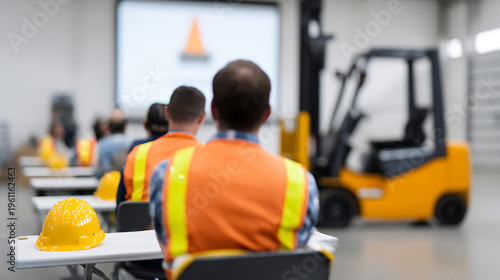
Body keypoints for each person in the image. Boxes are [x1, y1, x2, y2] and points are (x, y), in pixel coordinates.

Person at [149, 60, 319, 273]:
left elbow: (166, 242)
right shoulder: (301, 182)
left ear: (213, 110)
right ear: (267, 114)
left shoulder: (167, 173)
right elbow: (296, 252)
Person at [115, 86, 206, 209]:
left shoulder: (137, 154)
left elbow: (121, 208)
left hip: (142, 228)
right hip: (185, 227)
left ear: (167, 113)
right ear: (201, 118)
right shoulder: (207, 156)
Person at [95, 109, 131, 178]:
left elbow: (98, 172)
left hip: (107, 186)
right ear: (125, 126)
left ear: (109, 127)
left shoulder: (101, 144)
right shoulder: (133, 143)